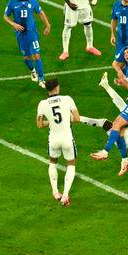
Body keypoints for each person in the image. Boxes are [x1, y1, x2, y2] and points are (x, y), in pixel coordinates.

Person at [36, 79, 79, 207]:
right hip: (67, 138)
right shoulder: (67, 99)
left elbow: (39, 124)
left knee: (53, 162)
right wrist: (68, 118)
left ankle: (55, 192)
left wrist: (50, 122)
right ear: (56, 88)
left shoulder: (42, 104)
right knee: (71, 164)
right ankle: (65, 195)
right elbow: (76, 118)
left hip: (53, 139)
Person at [4, 0, 51, 88]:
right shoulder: (12, 2)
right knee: (26, 57)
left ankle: (42, 79)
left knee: (36, 55)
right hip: (21, 35)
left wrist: (48, 25)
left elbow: (41, 12)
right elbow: (5, 16)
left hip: (32, 33)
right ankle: (32, 70)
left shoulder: (33, 2)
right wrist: (13, 24)